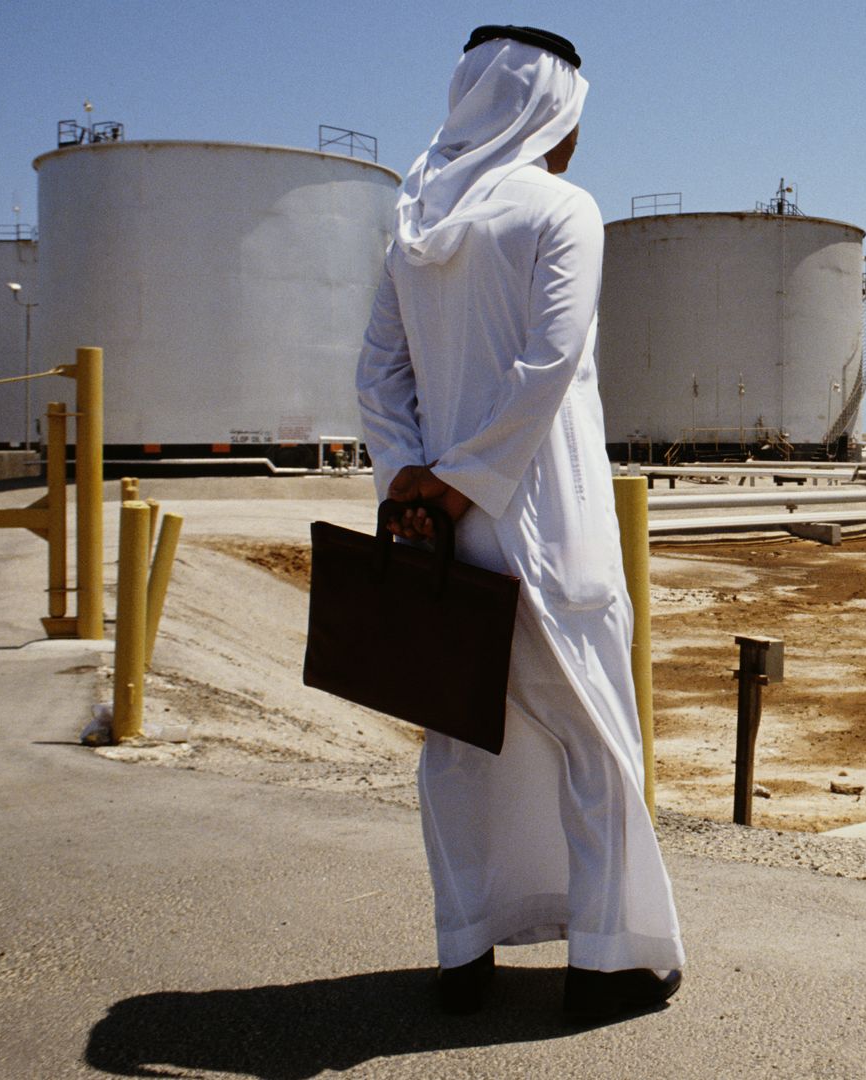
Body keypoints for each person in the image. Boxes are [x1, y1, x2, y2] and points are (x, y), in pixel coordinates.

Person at [355, 24, 685, 1019]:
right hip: (547, 521)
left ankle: (463, 953)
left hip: (441, 533)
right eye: (570, 118)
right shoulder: (563, 212)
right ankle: (602, 960)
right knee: (591, 735)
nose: (576, 138)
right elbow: (547, 369)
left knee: (459, 741)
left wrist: (412, 481)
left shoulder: (414, 224)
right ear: (546, 115)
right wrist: (462, 482)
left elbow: (379, 375)